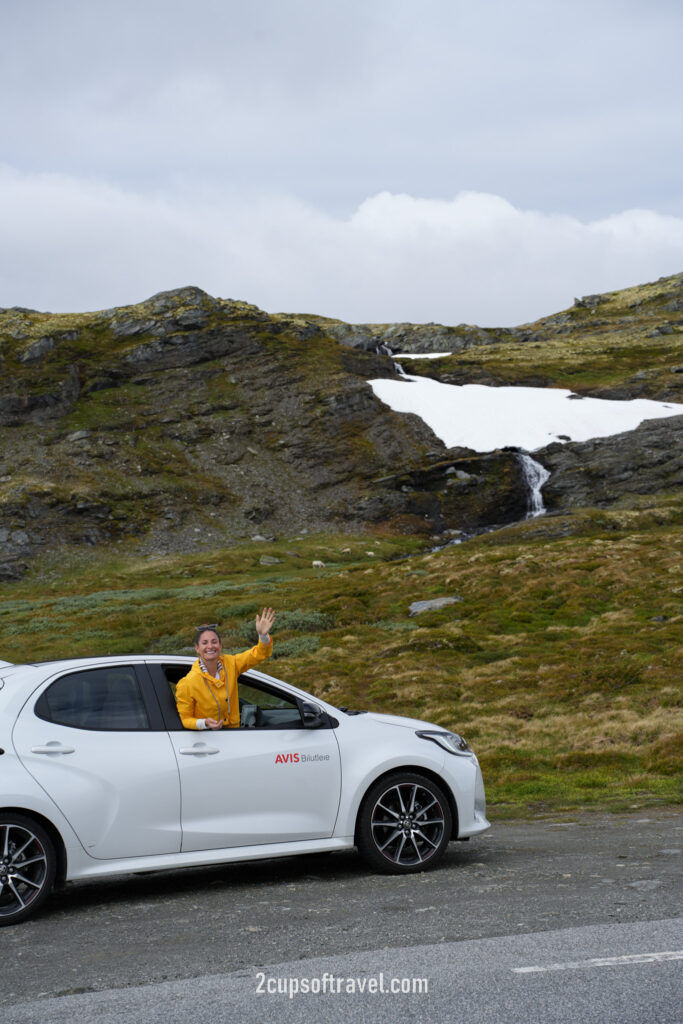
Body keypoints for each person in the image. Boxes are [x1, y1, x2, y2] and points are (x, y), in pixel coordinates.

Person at [175, 609, 275, 730]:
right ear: (197, 648)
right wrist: (204, 723)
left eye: (214, 642)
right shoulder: (188, 683)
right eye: (204, 643)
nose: (210, 646)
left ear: (220, 646)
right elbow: (185, 720)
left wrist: (263, 635)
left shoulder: (231, 663)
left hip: (235, 734)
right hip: (208, 740)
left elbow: (259, 654)